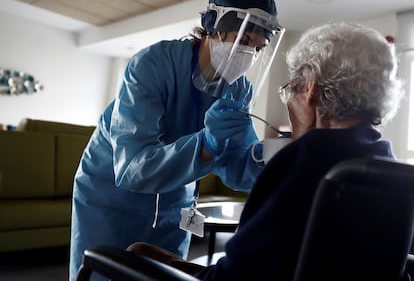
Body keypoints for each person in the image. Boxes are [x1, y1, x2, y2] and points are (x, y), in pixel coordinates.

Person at [127, 21, 404, 280]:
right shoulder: (390, 168)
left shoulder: (301, 160)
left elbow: (235, 276)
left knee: (136, 253)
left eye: (290, 90)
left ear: (310, 89)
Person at [69, 0, 285, 281]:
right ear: (213, 28)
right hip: (111, 198)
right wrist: (206, 145)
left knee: (167, 274)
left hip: (176, 199)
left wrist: (276, 155)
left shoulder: (239, 89)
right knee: (104, 272)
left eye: (258, 47)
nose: (248, 53)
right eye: (244, 39)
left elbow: (236, 169)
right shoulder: (153, 64)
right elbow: (132, 169)